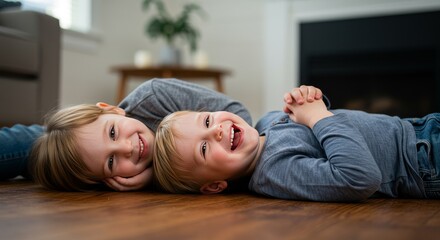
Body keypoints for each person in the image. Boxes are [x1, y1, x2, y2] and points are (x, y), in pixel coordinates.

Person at [27, 79, 321, 191]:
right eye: (111, 162)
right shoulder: (125, 181)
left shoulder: (154, 97)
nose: (127, 148)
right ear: (107, 180)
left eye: (114, 131)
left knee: (30, 139)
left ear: (112, 110)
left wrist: (153, 174)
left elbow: (242, 117)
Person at [153, 86, 439, 202]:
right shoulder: (275, 172)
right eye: (203, 149)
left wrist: (311, 100)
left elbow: (326, 120)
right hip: (423, 162)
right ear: (214, 185)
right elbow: (359, 177)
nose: (215, 131)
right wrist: (317, 118)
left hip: (419, 125)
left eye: (206, 121)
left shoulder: (265, 122)